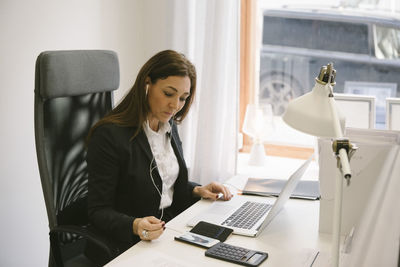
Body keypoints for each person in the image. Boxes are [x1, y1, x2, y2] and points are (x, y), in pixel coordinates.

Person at [86, 50, 233, 258]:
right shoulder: (109, 135)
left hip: (168, 233)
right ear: (147, 84)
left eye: (183, 98)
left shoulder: (169, 125)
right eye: (168, 94)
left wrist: (196, 190)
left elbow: (162, 183)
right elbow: (97, 211)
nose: (175, 106)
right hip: (126, 246)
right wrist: (136, 225)